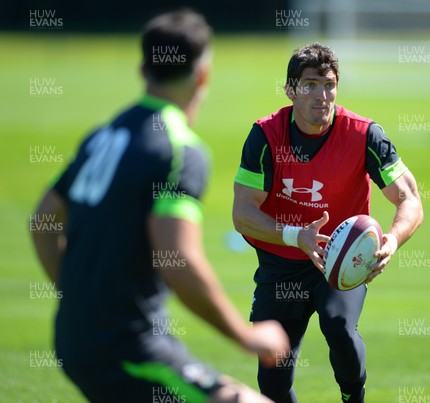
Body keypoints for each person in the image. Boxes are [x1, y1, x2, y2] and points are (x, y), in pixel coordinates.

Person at [30, 9, 289, 403]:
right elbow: (178, 260)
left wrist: (78, 300)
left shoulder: (103, 134)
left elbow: (43, 221)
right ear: (204, 76)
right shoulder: (179, 150)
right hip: (129, 347)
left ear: (142, 69)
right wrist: (247, 335)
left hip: (72, 339)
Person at [232, 43, 424, 403]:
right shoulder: (265, 136)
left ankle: (354, 397)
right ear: (290, 90)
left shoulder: (364, 135)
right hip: (281, 264)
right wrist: (295, 236)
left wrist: (393, 240)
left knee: (339, 327)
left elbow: (409, 199)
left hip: (341, 259)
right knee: (273, 375)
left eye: (329, 84)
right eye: (310, 85)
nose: (322, 95)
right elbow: (243, 213)